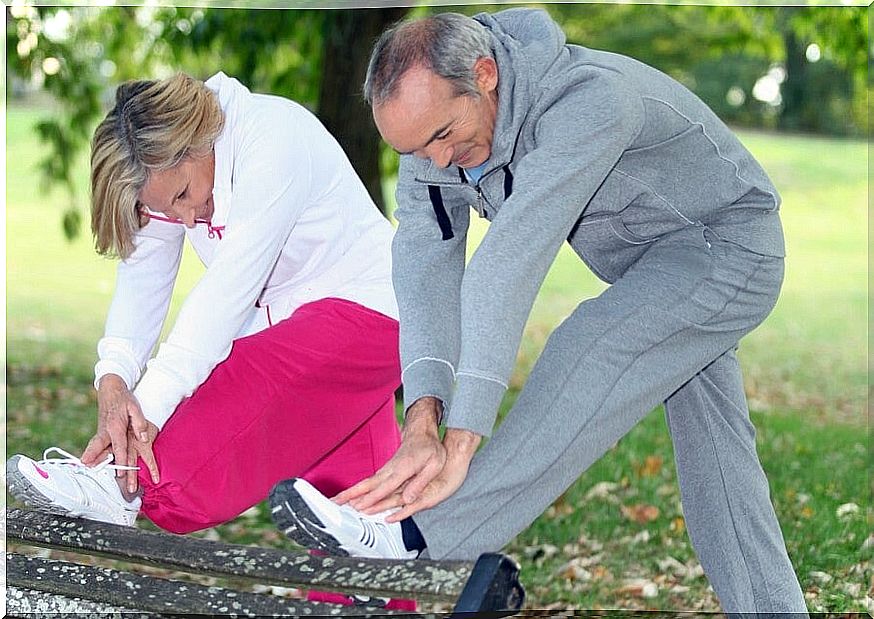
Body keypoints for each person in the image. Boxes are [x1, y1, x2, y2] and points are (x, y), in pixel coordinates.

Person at [268, 9, 809, 614]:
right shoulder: (436, 136)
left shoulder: (590, 102)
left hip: (727, 249)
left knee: (593, 343)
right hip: (652, 271)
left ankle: (415, 543)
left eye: (442, 136)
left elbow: (508, 263)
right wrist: (422, 419)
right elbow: (424, 267)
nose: (437, 162)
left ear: (485, 74)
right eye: (415, 149)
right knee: (722, 474)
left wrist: (463, 437)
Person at [7, 71, 403, 536]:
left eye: (183, 196)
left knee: (227, 376)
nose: (186, 218)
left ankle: (121, 487)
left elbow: (225, 297)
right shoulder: (168, 169)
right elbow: (142, 276)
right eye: (169, 210)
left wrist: (143, 420)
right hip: (297, 326)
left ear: (199, 140)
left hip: (372, 315)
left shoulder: (274, 140)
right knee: (356, 517)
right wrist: (113, 379)